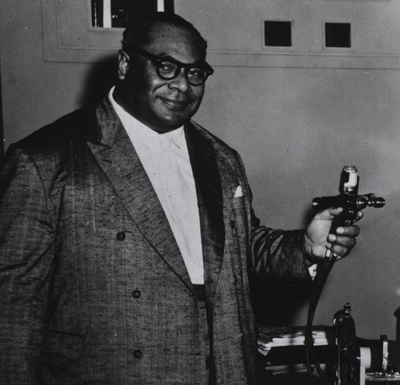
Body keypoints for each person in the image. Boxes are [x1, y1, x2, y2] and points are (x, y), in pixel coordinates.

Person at [0, 12, 360, 385]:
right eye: (166, 67)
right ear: (125, 64)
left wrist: (303, 247)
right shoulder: (43, 161)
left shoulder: (220, 158)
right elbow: (12, 316)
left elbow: (241, 251)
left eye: (195, 73)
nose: (182, 85)